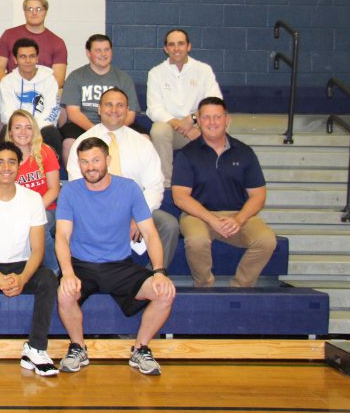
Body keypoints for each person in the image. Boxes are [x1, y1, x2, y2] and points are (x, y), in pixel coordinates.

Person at [55, 137, 176, 376]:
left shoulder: (129, 188)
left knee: (165, 292)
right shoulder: (70, 191)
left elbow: (150, 234)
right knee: (65, 292)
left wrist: (159, 271)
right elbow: (62, 236)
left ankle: (141, 349)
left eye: (96, 160)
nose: (90, 166)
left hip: (120, 265)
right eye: (84, 162)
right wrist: (68, 273)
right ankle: (78, 347)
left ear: (108, 160)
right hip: (82, 265)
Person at [0, 141, 60, 376]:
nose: (6, 167)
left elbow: (37, 250)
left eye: (12, 162)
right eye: (0, 162)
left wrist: (23, 278)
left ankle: (36, 347)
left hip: (22, 265)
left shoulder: (33, 199)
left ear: (18, 166)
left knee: (48, 278)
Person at [66, 89, 179, 267]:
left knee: (169, 225)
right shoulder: (83, 142)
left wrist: (139, 214)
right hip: (94, 210)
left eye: (120, 105)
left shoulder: (142, 143)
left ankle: (153, 278)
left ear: (127, 110)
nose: (114, 109)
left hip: (135, 207)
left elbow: (154, 186)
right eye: (108, 104)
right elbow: (77, 187)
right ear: (99, 109)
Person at [171, 97, 276, 288]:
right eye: (206, 117)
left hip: (237, 215)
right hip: (198, 216)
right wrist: (212, 220)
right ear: (199, 121)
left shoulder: (245, 153)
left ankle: (240, 287)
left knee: (267, 240)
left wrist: (239, 219)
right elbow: (180, 197)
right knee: (196, 241)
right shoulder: (187, 154)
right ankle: (204, 285)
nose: (212, 122)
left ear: (227, 120)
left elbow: (258, 196)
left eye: (217, 117)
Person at [146, 28, 223, 186]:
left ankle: (213, 180)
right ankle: (166, 184)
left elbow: (215, 101)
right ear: (165, 49)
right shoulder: (156, 73)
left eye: (181, 44)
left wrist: (193, 119)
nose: (176, 48)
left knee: (217, 123)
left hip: (198, 126)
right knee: (158, 131)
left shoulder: (203, 70)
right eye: (171, 44)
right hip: (172, 129)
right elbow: (154, 109)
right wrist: (182, 126)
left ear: (189, 46)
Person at [59, 34, 143, 163]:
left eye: (106, 49)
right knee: (69, 142)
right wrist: (97, 131)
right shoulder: (76, 76)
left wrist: (114, 130)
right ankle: (77, 181)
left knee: (144, 138)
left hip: (118, 124)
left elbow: (130, 114)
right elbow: (73, 113)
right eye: (98, 50)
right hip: (84, 125)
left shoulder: (124, 78)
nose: (103, 54)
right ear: (88, 53)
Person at [4, 110, 61, 272]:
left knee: (36, 225)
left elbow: (54, 189)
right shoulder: (4, 157)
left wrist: (33, 211)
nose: (23, 132)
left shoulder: (45, 152)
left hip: (47, 208)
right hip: (15, 211)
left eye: (28, 128)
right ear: (10, 132)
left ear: (34, 131)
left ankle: (53, 271)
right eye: (18, 128)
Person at [0, 38, 62, 159]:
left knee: (52, 133)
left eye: (32, 56)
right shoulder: (7, 82)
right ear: (15, 59)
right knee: (5, 131)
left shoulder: (49, 80)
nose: (28, 61)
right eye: (23, 57)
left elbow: (52, 111)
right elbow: (7, 115)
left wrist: (32, 130)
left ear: (37, 58)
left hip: (42, 127)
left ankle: (49, 173)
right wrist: (23, 129)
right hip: (16, 128)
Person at [0, 0, 68, 88]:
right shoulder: (9, 35)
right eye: (30, 9)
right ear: (24, 12)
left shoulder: (57, 43)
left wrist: (35, 93)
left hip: (43, 95)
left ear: (45, 11)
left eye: (39, 9)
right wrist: (9, 87)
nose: (34, 13)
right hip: (13, 92)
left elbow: (59, 79)